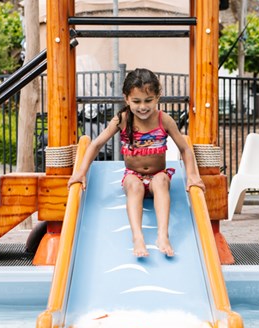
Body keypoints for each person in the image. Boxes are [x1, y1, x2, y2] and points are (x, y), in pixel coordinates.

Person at [68, 68, 205, 258]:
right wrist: (81, 172)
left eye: (148, 100)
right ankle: (138, 237)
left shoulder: (164, 120)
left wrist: (192, 176)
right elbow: (96, 144)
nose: (143, 107)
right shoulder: (123, 119)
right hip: (133, 175)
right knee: (134, 185)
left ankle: (163, 236)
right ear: (126, 99)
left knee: (161, 181)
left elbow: (185, 149)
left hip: (158, 175)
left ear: (157, 97)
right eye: (136, 101)